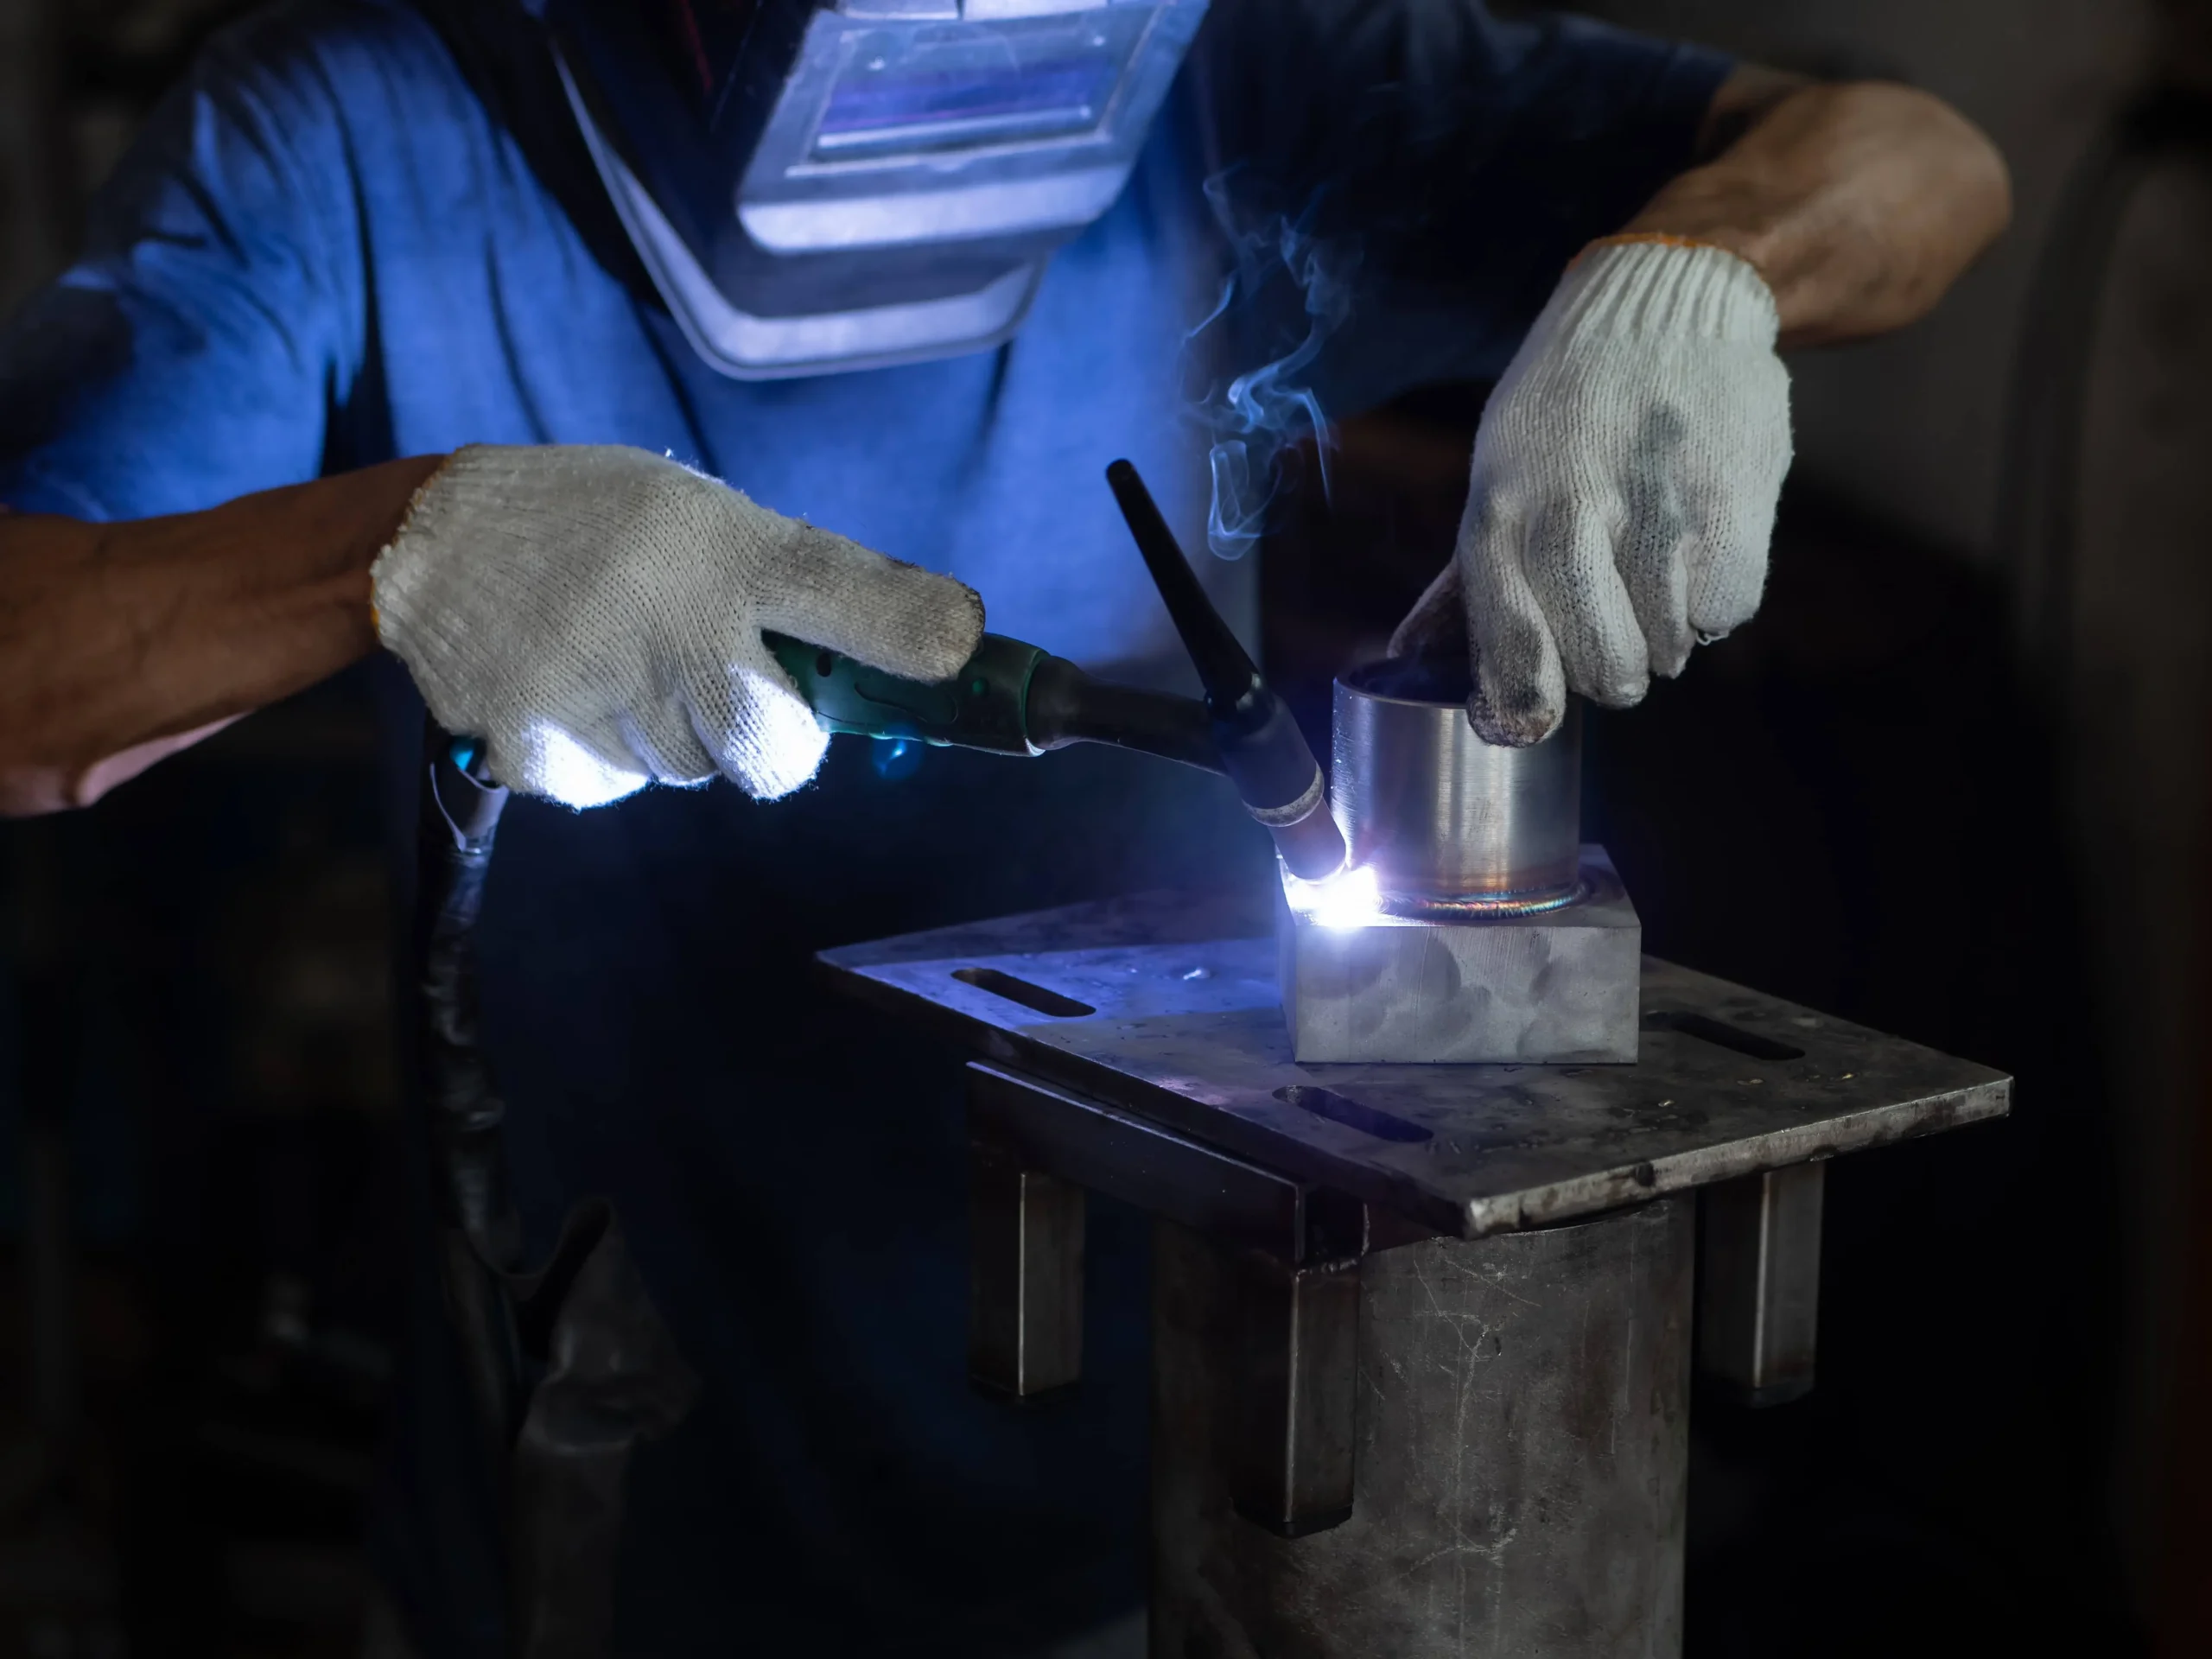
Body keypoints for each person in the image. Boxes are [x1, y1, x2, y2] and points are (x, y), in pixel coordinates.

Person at [0, 1, 2009, 1652]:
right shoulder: (357, 125)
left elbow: (1922, 163)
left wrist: (1690, 274)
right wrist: (403, 544)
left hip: (1187, 1492)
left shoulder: (1237, 72)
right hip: (617, 1522)